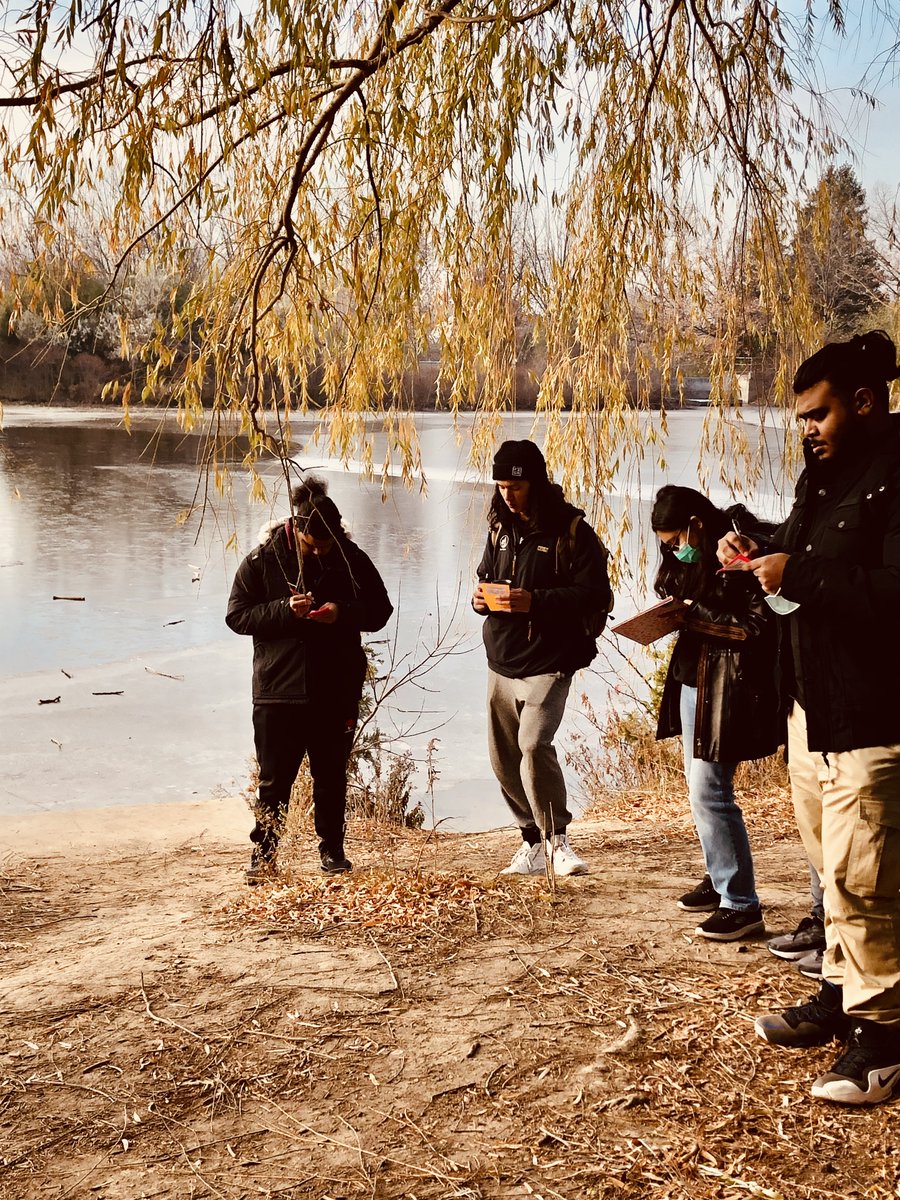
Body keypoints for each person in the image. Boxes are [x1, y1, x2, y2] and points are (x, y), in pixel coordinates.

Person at [719, 330, 900, 1106]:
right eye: (799, 419)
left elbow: (890, 593)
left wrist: (803, 573)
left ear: (862, 402)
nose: (806, 430)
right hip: (811, 706)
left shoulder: (898, 473)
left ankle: (885, 1038)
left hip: (871, 713)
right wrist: (754, 547)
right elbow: (797, 552)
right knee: (831, 873)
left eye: (817, 415)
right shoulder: (818, 477)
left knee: (867, 881)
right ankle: (839, 997)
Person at [226, 477, 393, 882]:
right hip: (277, 691)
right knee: (273, 782)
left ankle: (333, 853)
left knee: (332, 776)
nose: (320, 551)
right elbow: (236, 616)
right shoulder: (261, 561)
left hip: (334, 689)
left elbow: (381, 610)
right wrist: (285, 611)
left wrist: (343, 612)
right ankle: (264, 857)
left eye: (327, 543)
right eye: (313, 544)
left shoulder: (350, 557)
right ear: (296, 529)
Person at [473, 439, 612, 877]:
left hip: (550, 659)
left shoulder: (571, 531)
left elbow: (596, 595)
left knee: (533, 745)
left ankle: (558, 840)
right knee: (503, 757)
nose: (506, 495)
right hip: (503, 658)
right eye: (500, 486)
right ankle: (530, 841)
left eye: (514, 486)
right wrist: (482, 598)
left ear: (533, 481)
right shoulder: (499, 527)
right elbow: (485, 576)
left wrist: (533, 602)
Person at [651, 485, 780, 941]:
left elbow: (756, 626)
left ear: (696, 525)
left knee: (712, 792)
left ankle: (741, 903)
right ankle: (720, 874)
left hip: (725, 687)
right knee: (699, 791)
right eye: (666, 545)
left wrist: (693, 613)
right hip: (692, 682)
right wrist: (675, 583)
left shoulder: (742, 552)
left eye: (676, 542)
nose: (673, 550)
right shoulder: (695, 557)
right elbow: (678, 593)